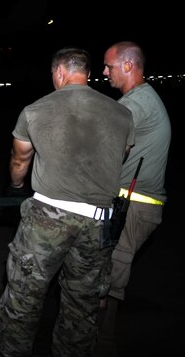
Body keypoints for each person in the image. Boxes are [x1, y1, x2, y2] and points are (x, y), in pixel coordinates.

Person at [0, 47, 134, 357]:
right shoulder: (122, 113)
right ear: (87, 73)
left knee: (24, 298)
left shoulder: (36, 110)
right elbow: (122, 155)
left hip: (48, 219)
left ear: (60, 72)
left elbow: (19, 160)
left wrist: (14, 187)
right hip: (98, 222)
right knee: (83, 305)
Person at [96, 41, 171, 354]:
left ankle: (102, 344)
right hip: (133, 203)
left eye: (109, 66)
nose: (104, 72)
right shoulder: (140, 99)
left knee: (110, 277)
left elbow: (101, 143)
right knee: (105, 271)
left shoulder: (136, 104)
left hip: (135, 207)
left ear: (128, 66)